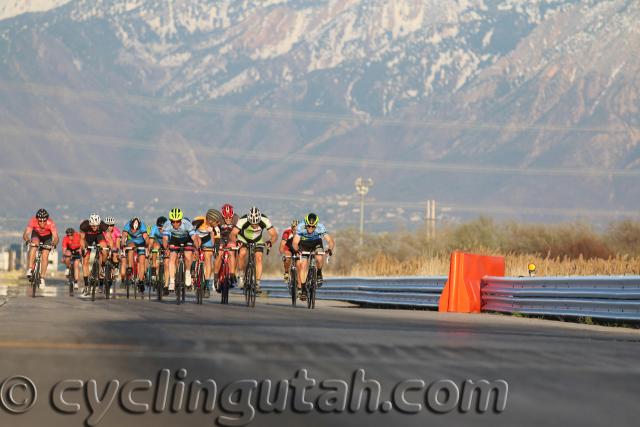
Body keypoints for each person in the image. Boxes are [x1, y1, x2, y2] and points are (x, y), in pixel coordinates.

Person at [230, 206, 277, 295]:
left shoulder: (264, 220)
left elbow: (274, 234)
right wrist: (237, 241)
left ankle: (257, 283)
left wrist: (270, 242)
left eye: (256, 223)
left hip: (257, 240)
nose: (254, 225)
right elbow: (232, 234)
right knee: (242, 253)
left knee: (259, 257)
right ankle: (241, 276)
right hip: (243, 238)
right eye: (252, 223)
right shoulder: (243, 220)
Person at [292, 213, 335, 300]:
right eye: (308, 226)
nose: (310, 229)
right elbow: (295, 242)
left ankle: (319, 273)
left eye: (313, 227)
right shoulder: (300, 227)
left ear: (316, 225)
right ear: (306, 224)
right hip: (304, 244)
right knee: (302, 265)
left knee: (319, 258)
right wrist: (297, 250)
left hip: (316, 243)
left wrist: (330, 249)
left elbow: (330, 241)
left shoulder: (320, 227)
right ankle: (303, 289)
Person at [162, 208, 201, 292]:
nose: (175, 224)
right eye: (173, 221)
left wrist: (196, 249)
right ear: (170, 221)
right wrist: (166, 248)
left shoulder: (187, 224)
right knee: (172, 257)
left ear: (181, 220)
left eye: (178, 221)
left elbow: (194, 238)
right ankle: (172, 282)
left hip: (186, 238)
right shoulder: (167, 224)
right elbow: (165, 239)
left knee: (188, 254)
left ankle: (187, 273)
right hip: (175, 239)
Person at [23, 209, 59, 289]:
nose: (42, 223)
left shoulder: (51, 223)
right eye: (40, 221)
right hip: (36, 235)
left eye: (44, 221)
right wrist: (27, 240)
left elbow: (56, 237)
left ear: (47, 219)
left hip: (47, 238)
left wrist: (53, 244)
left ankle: (42, 278)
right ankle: (30, 269)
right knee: (33, 247)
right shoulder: (33, 221)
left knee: (45, 255)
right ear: (37, 219)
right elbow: (26, 234)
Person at [192, 209, 223, 297]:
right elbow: (191, 231)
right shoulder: (200, 220)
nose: (218, 224)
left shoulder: (216, 228)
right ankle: (193, 267)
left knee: (208, 259)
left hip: (207, 240)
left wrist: (216, 249)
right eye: (216, 222)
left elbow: (217, 240)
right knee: (195, 251)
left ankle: (206, 286)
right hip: (196, 237)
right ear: (210, 220)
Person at [79, 213, 109, 294]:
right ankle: (86, 284)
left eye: (96, 226)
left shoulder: (103, 225)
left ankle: (102, 267)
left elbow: (108, 237)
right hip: (87, 239)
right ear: (90, 224)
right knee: (85, 260)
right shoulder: (84, 225)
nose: (94, 228)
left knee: (105, 250)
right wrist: (83, 249)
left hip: (99, 237)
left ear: (99, 224)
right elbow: (81, 239)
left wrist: (110, 247)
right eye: (92, 226)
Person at [213, 203, 239, 291]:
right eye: (226, 218)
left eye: (230, 217)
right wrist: (215, 244)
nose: (228, 219)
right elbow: (214, 232)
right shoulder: (218, 219)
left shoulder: (236, 219)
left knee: (232, 253)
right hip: (220, 237)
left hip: (231, 238)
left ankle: (232, 275)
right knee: (219, 254)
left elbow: (239, 232)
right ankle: (216, 276)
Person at [121, 217, 149, 293]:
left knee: (142, 260)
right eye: (133, 229)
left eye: (136, 229)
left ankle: (141, 281)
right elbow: (124, 235)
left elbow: (146, 237)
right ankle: (130, 267)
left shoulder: (142, 226)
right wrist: (123, 244)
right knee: (130, 248)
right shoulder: (127, 225)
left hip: (141, 242)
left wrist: (147, 245)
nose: (134, 231)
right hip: (131, 241)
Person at [148, 216, 168, 289]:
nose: (161, 230)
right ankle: (153, 267)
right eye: (160, 228)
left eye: (163, 228)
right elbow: (150, 241)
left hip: (167, 243)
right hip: (158, 242)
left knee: (166, 263)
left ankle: (166, 284)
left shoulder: (169, 229)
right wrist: (149, 249)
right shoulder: (154, 228)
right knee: (155, 246)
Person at [279, 219, 299, 283]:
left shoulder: (302, 234)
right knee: (287, 258)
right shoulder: (287, 232)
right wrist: (282, 254)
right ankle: (286, 272)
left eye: (297, 230)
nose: (295, 231)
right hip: (288, 247)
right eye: (294, 229)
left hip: (298, 248)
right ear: (292, 228)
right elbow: (282, 245)